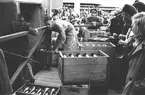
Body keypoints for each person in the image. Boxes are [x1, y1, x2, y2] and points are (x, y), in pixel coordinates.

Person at [1, 14, 38, 90]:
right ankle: (27, 80)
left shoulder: (11, 24)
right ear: (23, 18)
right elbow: (35, 33)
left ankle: (18, 85)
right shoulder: (25, 25)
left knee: (16, 68)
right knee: (25, 64)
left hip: (13, 50)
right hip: (23, 51)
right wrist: (36, 30)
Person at [122, 12, 145, 95]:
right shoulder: (139, 43)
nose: (131, 28)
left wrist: (136, 86)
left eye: (133, 25)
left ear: (140, 27)